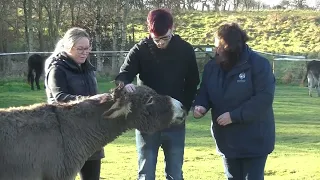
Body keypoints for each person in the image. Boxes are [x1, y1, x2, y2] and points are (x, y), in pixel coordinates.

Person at [115, 8, 200, 180]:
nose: (160, 43)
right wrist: (125, 85)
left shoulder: (185, 50)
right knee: (146, 173)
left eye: (165, 38)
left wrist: (185, 106)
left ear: (172, 28)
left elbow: (193, 82)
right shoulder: (140, 50)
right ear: (149, 31)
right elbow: (123, 75)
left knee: (175, 173)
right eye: (156, 39)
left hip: (175, 119)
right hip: (147, 120)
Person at [193, 23, 276, 180]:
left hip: (255, 139)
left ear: (230, 48)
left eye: (219, 47)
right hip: (227, 140)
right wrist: (200, 105)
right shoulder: (212, 67)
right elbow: (205, 90)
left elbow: (264, 99)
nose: (216, 50)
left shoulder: (259, 65)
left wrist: (234, 116)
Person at [44, 27, 104, 180]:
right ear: (69, 47)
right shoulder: (57, 69)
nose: (85, 52)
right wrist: (89, 101)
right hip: (66, 134)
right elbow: (59, 97)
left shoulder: (88, 69)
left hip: (90, 133)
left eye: (87, 48)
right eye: (80, 49)